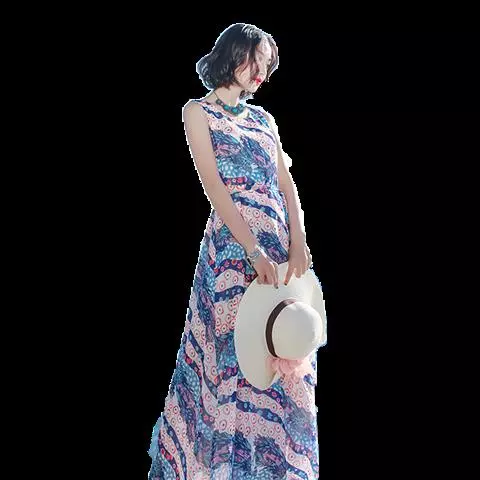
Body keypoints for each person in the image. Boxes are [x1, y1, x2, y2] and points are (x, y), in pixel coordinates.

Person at [148, 23, 321, 479]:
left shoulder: (265, 120)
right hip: (233, 253)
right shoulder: (197, 112)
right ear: (232, 53)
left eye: (267, 66)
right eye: (255, 60)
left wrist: (299, 241)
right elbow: (214, 187)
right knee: (231, 357)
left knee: (283, 349)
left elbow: (286, 184)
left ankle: (276, 467)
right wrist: (252, 250)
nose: (261, 72)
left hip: (279, 251)